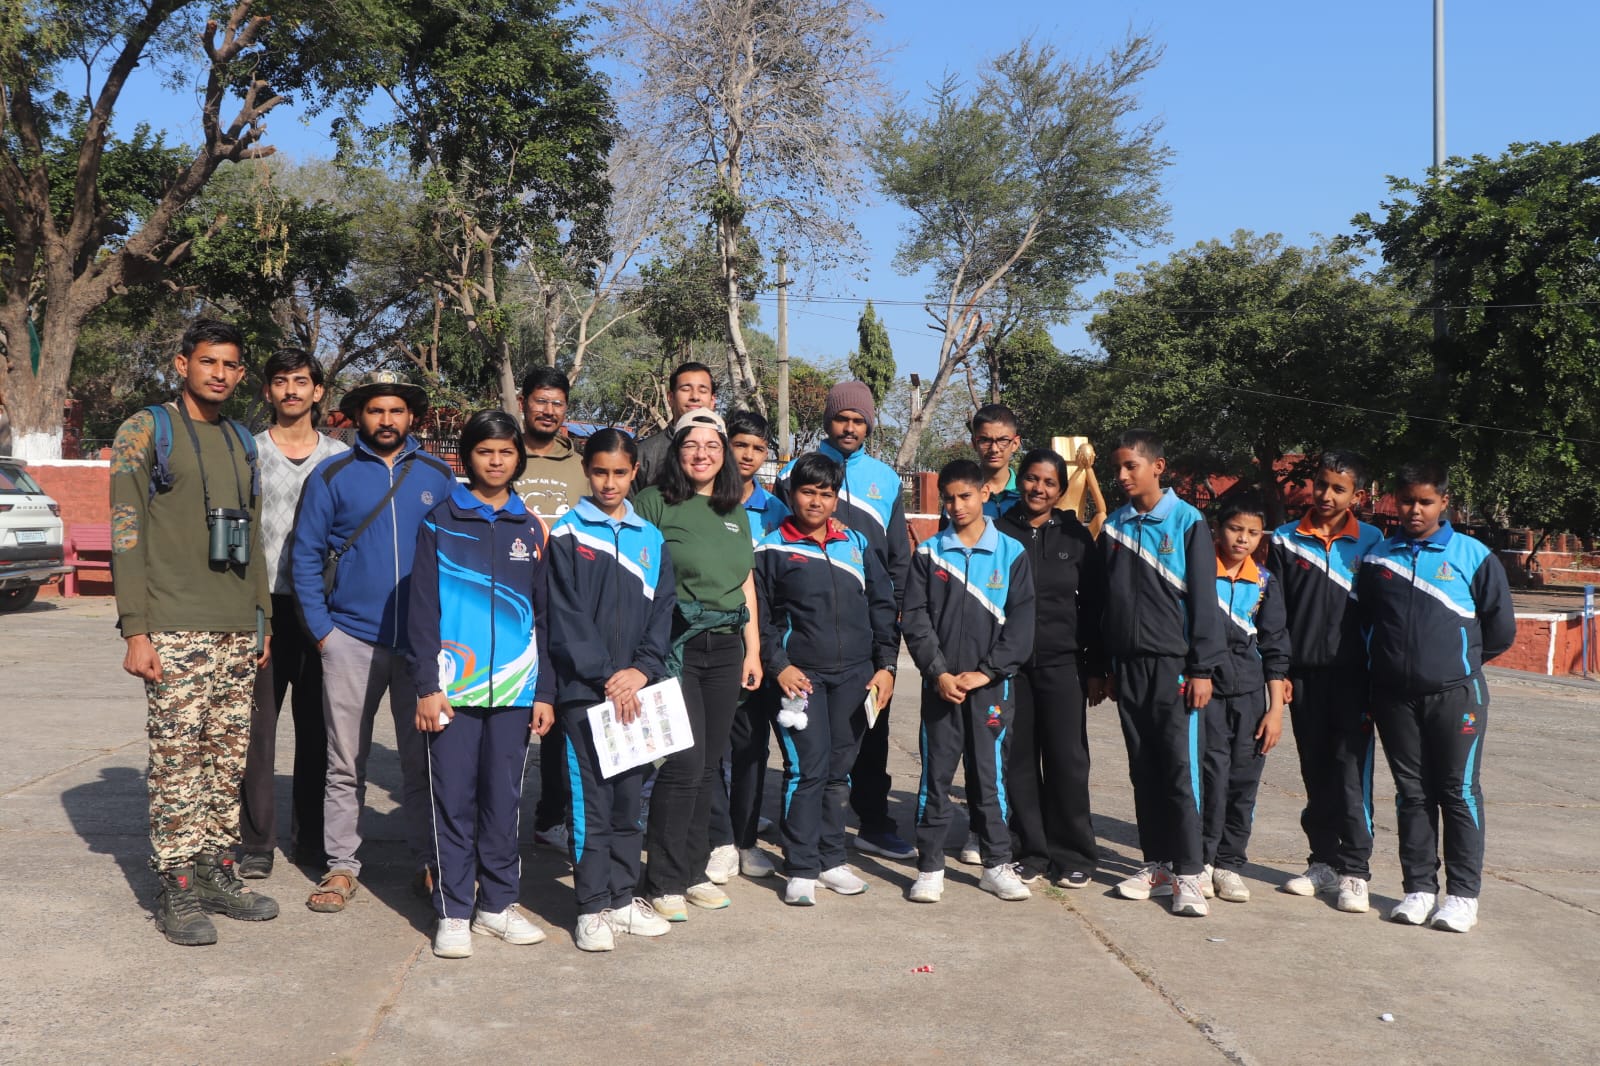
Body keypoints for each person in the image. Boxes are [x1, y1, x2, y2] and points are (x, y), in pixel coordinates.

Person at [110, 317, 278, 945]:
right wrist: (136, 629)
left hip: (236, 626)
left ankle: (214, 871)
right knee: (177, 761)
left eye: (231, 365)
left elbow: (254, 538)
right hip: (174, 625)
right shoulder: (144, 429)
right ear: (182, 364)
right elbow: (126, 530)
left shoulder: (240, 439)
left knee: (225, 759)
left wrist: (262, 619)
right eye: (209, 361)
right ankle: (175, 884)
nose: (220, 374)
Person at [290, 370, 459, 913]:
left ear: (411, 417)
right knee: (345, 762)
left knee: (424, 761)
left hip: (422, 649)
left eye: (396, 410)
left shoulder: (438, 475)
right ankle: (341, 865)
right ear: (359, 416)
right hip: (351, 640)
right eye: (375, 410)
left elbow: (460, 554)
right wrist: (324, 633)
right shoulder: (333, 474)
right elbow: (305, 555)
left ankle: (430, 861)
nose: (386, 420)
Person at [407, 410, 556, 958]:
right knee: (452, 800)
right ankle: (453, 910)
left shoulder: (530, 527)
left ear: (519, 458)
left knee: (503, 801)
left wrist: (544, 691)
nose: (496, 461)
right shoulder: (440, 521)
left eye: (506, 452)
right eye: (485, 451)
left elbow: (544, 616)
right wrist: (427, 685)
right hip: (453, 692)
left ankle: (497, 904)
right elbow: (422, 610)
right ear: (467, 456)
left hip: (515, 692)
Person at [1356, 461, 1514, 933]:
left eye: (1425, 502)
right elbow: (1366, 622)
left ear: (1444, 502)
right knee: (1412, 793)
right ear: (1395, 500)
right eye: (1407, 501)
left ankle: (1462, 897)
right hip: (1394, 698)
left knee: (1458, 792)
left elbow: (1500, 629)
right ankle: (1419, 889)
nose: (1415, 510)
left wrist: (1456, 664)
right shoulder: (1378, 558)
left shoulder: (1473, 555)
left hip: (1456, 695)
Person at [547, 429, 677, 951]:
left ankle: (622, 899)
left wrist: (641, 671)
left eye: (620, 473)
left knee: (628, 804)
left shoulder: (651, 538)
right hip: (586, 694)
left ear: (634, 473)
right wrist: (606, 675)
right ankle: (591, 907)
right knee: (591, 804)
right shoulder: (566, 534)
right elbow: (564, 617)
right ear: (586, 470)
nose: (609, 482)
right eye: (599, 471)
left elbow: (662, 612)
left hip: (638, 693)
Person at [634, 411, 764, 919]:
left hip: (727, 646)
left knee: (709, 765)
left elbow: (745, 582)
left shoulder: (735, 510)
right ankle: (661, 880)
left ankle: (691, 871)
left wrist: (753, 650)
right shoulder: (654, 502)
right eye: (692, 444)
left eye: (713, 445)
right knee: (683, 762)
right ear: (677, 451)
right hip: (676, 645)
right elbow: (636, 573)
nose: (702, 454)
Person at [776, 381, 914, 861]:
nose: (850, 428)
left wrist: (894, 620)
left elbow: (898, 556)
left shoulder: (886, 479)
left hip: (868, 631)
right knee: (809, 745)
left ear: (869, 425)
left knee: (870, 730)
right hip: (809, 635)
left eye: (859, 420)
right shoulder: (794, 473)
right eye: (842, 419)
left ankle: (873, 823)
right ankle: (806, 833)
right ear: (828, 422)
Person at [755, 453, 900, 906]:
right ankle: (801, 866)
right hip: (801, 679)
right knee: (807, 770)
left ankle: (832, 859)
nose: (816, 501)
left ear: (836, 498)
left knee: (839, 772)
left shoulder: (856, 543)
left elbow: (882, 606)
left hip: (856, 678)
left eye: (825, 493)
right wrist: (779, 665)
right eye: (807, 492)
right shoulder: (772, 549)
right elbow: (761, 619)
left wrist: (886, 666)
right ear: (791, 494)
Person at [1094, 429, 1224, 918]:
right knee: (1143, 768)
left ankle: (1191, 871)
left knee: (1178, 770)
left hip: (1176, 668)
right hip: (1129, 667)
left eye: (1131, 466)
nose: (1122, 475)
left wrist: (1201, 667)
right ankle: (1158, 864)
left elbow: (1205, 602)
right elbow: (1104, 603)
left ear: (1158, 467)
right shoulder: (1114, 527)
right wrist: (1106, 665)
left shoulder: (1188, 521)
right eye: (1117, 468)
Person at [902, 460, 1036, 904]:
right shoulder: (928, 553)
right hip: (940, 688)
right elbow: (915, 619)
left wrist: (987, 671)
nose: (957, 505)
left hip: (991, 690)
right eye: (949, 498)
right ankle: (930, 867)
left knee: (989, 778)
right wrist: (938, 672)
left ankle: (996, 864)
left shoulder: (1011, 553)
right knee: (935, 779)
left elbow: (1022, 624)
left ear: (984, 494)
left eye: (965, 496)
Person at [237, 348, 348, 879]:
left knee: (317, 729)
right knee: (258, 732)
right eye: (280, 381)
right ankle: (257, 843)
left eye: (301, 381)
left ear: (318, 391)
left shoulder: (340, 457)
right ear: (267, 391)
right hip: (263, 606)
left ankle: (312, 840)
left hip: (321, 609)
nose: (291, 391)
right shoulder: (248, 451)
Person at [1267, 450, 1384, 911]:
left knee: (1351, 773)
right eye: (1322, 484)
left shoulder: (1372, 542)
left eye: (1339, 488)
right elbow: (1275, 614)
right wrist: (1281, 671)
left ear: (1358, 495)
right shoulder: (1284, 539)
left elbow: (1381, 615)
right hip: (1304, 679)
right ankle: (1322, 861)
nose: (1327, 495)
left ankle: (1356, 870)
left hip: (1355, 680)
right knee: (1315, 770)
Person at [995, 448, 1105, 889]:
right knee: (1019, 762)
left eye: (1049, 483)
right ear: (1019, 480)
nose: (1038, 489)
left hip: (1064, 665)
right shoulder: (999, 531)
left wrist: (1096, 666)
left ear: (1060, 491)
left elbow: (1095, 605)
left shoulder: (1075, 536)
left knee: (1067, 761)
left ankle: (1074, 854)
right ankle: (1032, 852)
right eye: (1031, 479)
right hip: (1012, 667)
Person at [706, 410, 787, 883]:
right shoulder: (704, 499)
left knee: (751, 745)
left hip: (757, 641)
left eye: (758, 448)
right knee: (709, 748)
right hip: (709, 638)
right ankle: (717, 840)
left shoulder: (775, 511)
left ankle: (745, 839)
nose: (749, 456)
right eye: (741, 445)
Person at [513, 366, 588, 855]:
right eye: (540, 401)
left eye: (557, 403)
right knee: (510, 714)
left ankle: (551, 816)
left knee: (559, 716)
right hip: (508, 604)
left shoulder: (580, 466)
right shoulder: (504, 454)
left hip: (563, 606)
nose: (548, 410)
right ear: (523, 402)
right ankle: (495, 820)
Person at [1202, 497, 1290, 904]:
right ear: (1218, 529)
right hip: (1206, 694)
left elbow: (1275, 647)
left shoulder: (1265, 582)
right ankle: (1202, 861)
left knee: (1243, 783)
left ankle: (1229, 864)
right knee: (1209, 779)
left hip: (1252, 698)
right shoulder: (1198, 574)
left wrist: (1275, 711)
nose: (1243, 539)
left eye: (1253, 533)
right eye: (1236, 529)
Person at [636, 361, 716, 489]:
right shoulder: (644, 454)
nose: (695, 397)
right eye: (686, 389)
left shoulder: (726, 453)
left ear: (712, 401)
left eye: (702, 390)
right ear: (671, 397)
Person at [971, 403, 1022, 517]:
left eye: (1003, 440)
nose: (994, 449)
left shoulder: (1027, 495)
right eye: (985, 440)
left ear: (1015, 443)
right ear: (974, 443)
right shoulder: (963, 495)